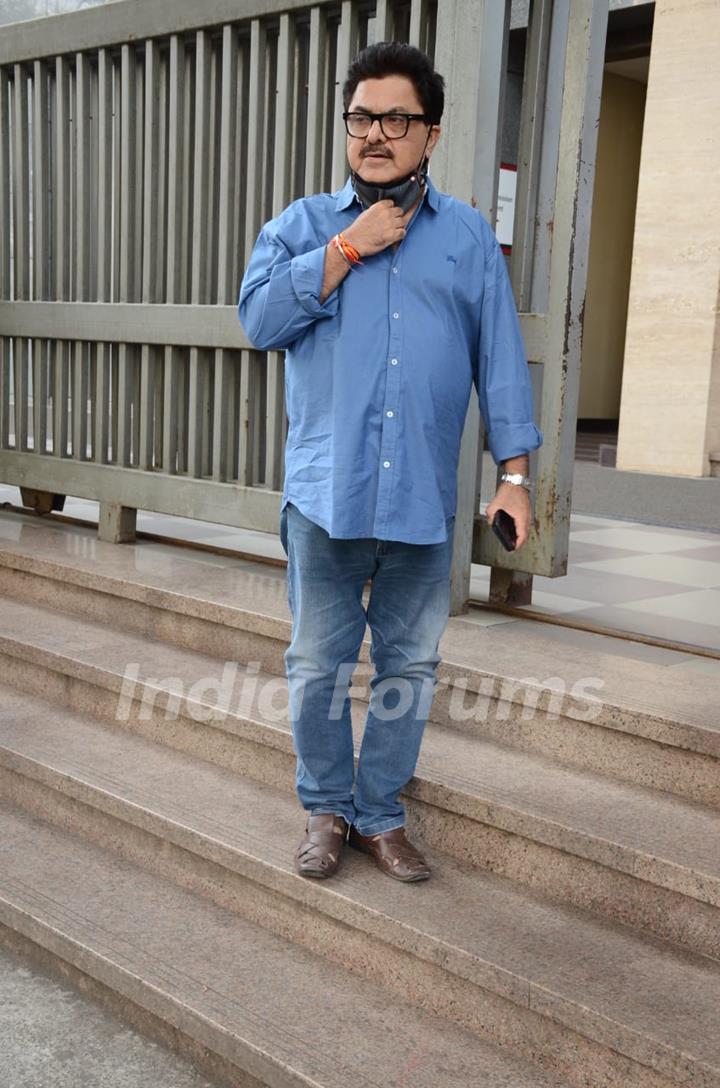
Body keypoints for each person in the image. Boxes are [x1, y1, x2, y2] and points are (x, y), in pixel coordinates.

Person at [238, 41, 542, 884]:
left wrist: (513, 478)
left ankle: (380, 814)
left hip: (420, 499)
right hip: (325, 497)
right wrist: (344, 250)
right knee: (316, 666)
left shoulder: (469, 238)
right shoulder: (300, 226)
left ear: (430, 133)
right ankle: (327, 809)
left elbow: (502, 361)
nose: (376, 133)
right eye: (361, 117)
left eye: (396, 118)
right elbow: (258, 322)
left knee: (408, 667)